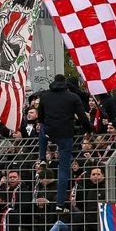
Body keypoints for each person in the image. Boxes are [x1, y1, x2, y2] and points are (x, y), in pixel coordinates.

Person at [37, 74, 91, 213]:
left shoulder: (44, 96)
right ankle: (60, 203)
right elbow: (83, 117)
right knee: (63, 170)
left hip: (49, 131)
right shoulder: (72, 97)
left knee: (42, 129)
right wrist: (90, 130)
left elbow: (40, 118)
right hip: (65, 134)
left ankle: (42, 158)